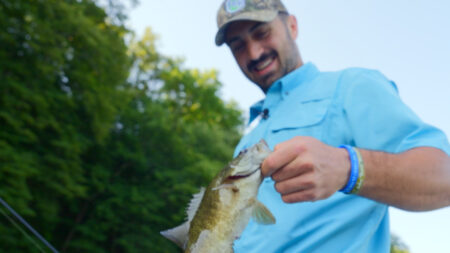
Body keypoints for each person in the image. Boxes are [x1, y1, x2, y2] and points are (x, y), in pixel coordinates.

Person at [214, 0, 450, 252]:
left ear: (292, 26)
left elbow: (442, 178)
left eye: (262, 33)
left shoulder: (351, 86)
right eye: (238, 46)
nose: (254, 53)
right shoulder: (248, 139)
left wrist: (348, 167)